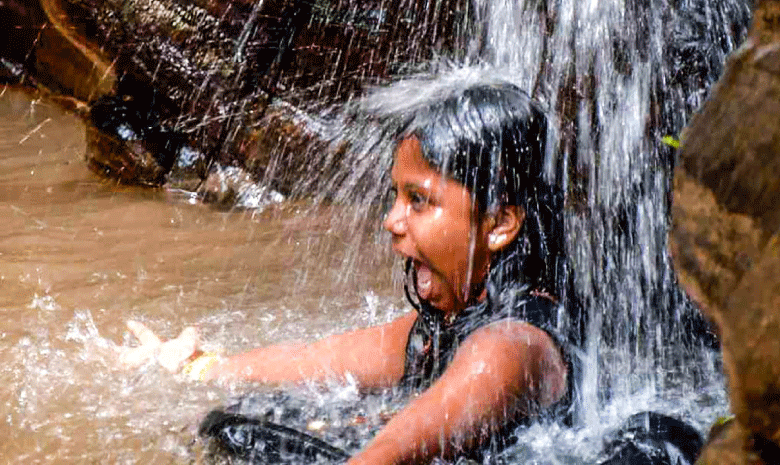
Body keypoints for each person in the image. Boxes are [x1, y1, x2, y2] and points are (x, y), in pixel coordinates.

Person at [118, 78, 586, 463]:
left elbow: (384, 458)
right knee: (235, 424)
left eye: (419, 200)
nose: (391, 220)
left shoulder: (508, 349)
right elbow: (318, 360)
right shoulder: (449, 324)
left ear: (499, 224)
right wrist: (200, 367)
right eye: (396, 196)